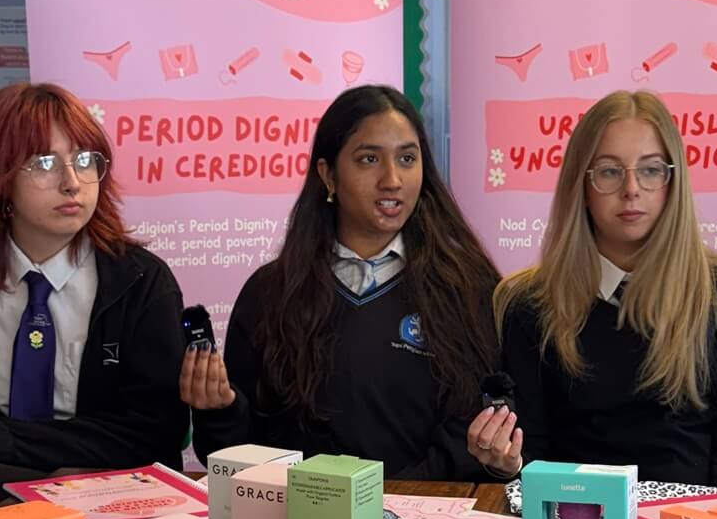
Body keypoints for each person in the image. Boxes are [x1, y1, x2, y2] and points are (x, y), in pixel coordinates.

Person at [182, 85, 499, 479]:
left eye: (407, 158)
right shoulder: (269, 294)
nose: (392, 179)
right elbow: (236, 456)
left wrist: (387, 506)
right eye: (369, 159)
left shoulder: (468, 289)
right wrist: (218, 411)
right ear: (327, 174)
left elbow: (476, 438)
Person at [468, 90, 717, 488]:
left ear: (672, 182)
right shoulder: (527, 303)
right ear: (582, 184)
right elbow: (531, 451)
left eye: (650, 170)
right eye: (610, 171)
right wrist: (505, 465)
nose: (631, 189)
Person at [0, 83, 189, 505]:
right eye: (44, 163)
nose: (72, 182)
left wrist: (5, 440)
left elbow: (154, 432)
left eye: (85, 160)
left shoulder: (140, 281)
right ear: (1, 178)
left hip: (108, 495)